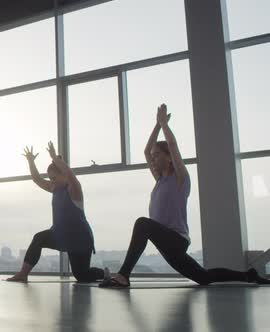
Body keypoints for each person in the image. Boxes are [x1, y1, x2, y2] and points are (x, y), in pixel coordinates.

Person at [100, 104, 270, 288]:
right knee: (203, 277)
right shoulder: (159, 180)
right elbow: (146, 150)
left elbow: (172, 145)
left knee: (142, 223)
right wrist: (157, 125)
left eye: (157, 155)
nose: (153, 158)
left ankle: (124, 275)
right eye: (153, 156)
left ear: (169, 157)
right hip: (166, 243)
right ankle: (248, 276)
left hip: (176, 239)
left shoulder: (180, 179)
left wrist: (164, 124)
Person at [7, 141, 104, 282]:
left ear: (64, 176)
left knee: (82, 276)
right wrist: (30, 161)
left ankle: (103, 273)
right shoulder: (54, 188)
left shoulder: (74, 190)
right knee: (38, 238)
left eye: (53, 178)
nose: (51, 181)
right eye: (50, 178)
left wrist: (54, 157)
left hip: (79, 239)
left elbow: (70, 173)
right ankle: (23, 274)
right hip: (59, 234)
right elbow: (36, 179)